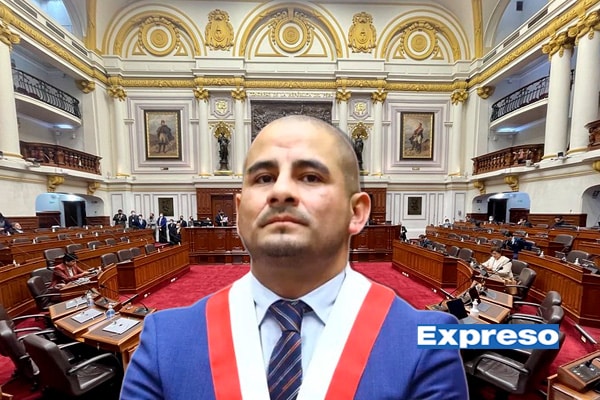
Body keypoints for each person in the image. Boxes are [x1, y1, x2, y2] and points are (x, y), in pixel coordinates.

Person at [121, 115, 468, 400]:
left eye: (310, 177)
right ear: (239, 212)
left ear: (357, 212)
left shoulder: (426, 344)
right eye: (264, 177)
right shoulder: (165, 342)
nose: (281, 191)